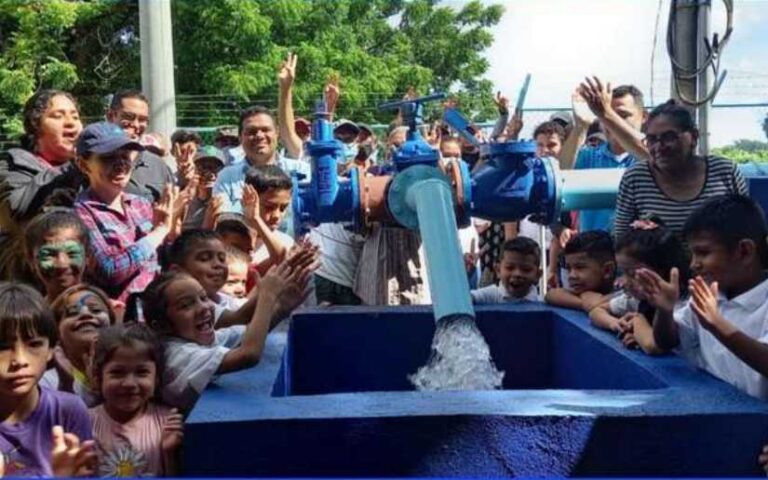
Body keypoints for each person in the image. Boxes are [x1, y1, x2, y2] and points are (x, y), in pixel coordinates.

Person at [637, 195, 768, 401]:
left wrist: (716, 323)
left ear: (744, 251)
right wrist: (665, 310)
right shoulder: (707, 295)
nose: (694, 264)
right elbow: (667, 341)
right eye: (692, 254)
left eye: (703, 253)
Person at [143, 262, 309, 412]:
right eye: (186, 305)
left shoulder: (195, 338)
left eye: (203, 298)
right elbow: (248, 354)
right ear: (161, 326)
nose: (204, 308)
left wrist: (281, 309)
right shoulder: (176, 355)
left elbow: (246, 335)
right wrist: (267, 297)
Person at [74, 122, 176, 315]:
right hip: (121, 325)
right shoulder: (80, 213)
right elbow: (110, 270)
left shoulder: (141, 204)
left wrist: (172, 235)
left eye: (124, 156)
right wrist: (159, 232)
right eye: (108, 158)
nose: (120, 164)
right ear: (83, 164)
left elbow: (162, 260)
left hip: (159, 316)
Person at [613, 100, 748, 241]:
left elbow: (747, 228)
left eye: (669, 137)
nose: (659, 147)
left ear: (694, 137)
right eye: (651, 139)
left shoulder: (725, 171)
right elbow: (622, 240)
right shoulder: (636, 178)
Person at [0, 283, 96, 477]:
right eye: (3, 346)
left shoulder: (68, 411)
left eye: (34, 344)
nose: (19, 360)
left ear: (51, 350)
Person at [0, 90, 84, 281]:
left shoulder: (90, 168)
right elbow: (16, 208)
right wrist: (68, 168)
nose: (71, 122)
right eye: (58, 116)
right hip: (29, 283)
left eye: (75, 116)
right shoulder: (9, 166)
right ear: (35, 126)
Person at [89, 324, 183, 477]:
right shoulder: (85, 422)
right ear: (98, 377)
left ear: (156, 378)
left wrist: (169, 452)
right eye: (117, 373)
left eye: (141, 372)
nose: (129, 384)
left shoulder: (166, 423)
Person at [588, 217, 689, 354]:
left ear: (663, 270)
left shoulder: (683, 305)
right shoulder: (637, 299)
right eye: (623, 272)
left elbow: (654, 346)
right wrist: (616, 324)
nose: (625, 281)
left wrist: (637, 321)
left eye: (633, 273)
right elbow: (596, 311)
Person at [560, 80, 647, 233]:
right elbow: (562, 172)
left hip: (635, 253)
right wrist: (581, 125)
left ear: (644, 116)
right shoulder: (589, 156)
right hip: (593, 252)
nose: (611, 121)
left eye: (623, 115)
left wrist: (606, 113)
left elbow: (650, 155)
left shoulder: (651, 156)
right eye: (604, 115)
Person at [213, 105, 310, 219]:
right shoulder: (227, 177)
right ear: (240, 137)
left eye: (265, 130)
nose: (259, 136)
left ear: (277, 133)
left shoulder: (302, 170)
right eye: (252, 131)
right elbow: (224, 222)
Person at [106, 90, 175, 202]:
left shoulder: (158, 166)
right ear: (110, 116)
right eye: (128, 117)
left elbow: (169, 210)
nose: (136, 125)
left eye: (142, 120)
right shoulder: (95, 161)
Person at [23, 210, 89, 304]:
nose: (62, 264)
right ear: (31, 260)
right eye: (49, 254)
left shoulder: (110, 313)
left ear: (87, 256)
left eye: (72, 253)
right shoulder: (32, 317)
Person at [545, 230, 616, 310]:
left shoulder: (624, 293)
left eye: (580, 267)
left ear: (607, 270)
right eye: (568, 268)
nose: (571, 275)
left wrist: (597, 303)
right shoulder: (583, 290)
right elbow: (551, 294)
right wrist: (584, 303)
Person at [471, 237, 542, 304]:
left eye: (526, 269)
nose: (517, 274)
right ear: (498, 270)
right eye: (510, 268)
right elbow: (465, 299)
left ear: (537, 275)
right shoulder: (491, 296)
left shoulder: (540, 302)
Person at [181, 146, 226, 231]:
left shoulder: (226, 200)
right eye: (203, 167)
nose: (209, 173)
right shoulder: (185, 199)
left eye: (215, 168)